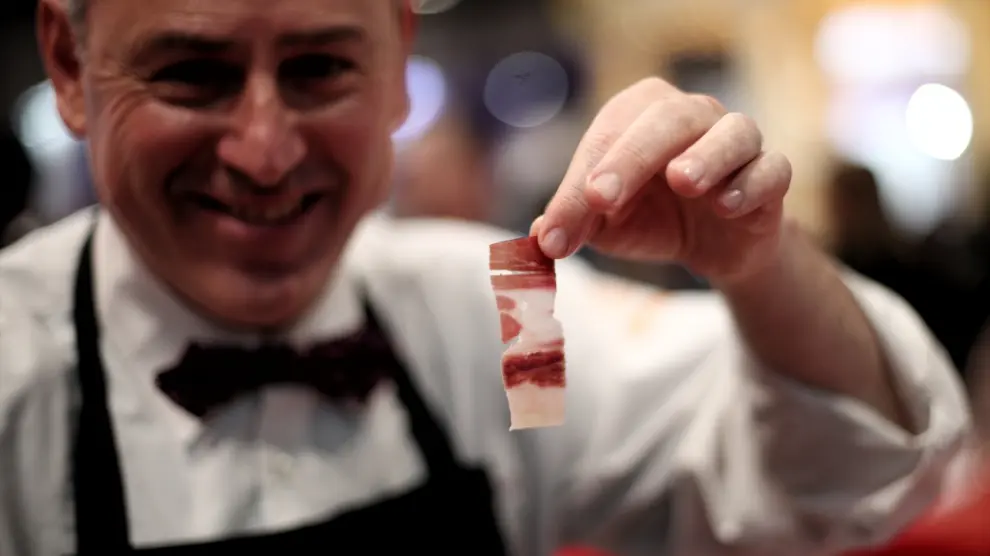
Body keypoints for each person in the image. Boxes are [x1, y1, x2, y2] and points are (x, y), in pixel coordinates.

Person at [0, 0, 969, 555]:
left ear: (397, 66)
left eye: (319, 68)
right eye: (191, 74)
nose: (264, 152)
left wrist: (761, 262)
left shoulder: (500, 306)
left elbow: (854, 474)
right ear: (70, 66)